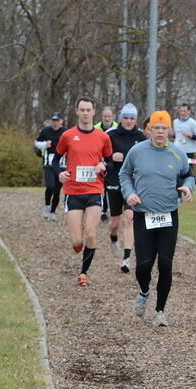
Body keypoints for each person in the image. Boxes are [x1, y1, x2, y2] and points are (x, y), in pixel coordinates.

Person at [119, 110, 193, 327]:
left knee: (165, 264)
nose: (160, 132)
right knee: (143, 266)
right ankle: (144, 291)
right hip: (144, 214)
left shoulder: (178, 154)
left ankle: (160, 310)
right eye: (156, 128)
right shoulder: (137, 151)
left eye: (164, 128)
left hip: (168, 215)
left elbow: (188, 175)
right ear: (149, 130)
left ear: (170, 130)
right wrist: (129, 193)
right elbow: (124, 174)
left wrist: (187, 187)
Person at [56, 97, 112, 286]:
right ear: (77, 112)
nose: (86, 113)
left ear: (93, 112)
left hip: (95, 191)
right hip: (73, 191)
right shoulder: (67, 136)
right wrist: (60, 173)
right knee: (77, 242)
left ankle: (83, 273)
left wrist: (103, 165)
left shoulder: (103, 137)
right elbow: (56, 159)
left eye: (89, 110)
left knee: (91, 234)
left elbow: (110, 162)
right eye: (82, 110)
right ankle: (79, 244)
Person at [105, 103, 147, 272]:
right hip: (114, 181)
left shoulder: (142, 137)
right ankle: (113, 237)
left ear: (135, 120)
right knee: (115, 222)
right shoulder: (110, 135)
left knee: (129, 218)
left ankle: (127, 258)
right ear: (120, 118)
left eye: (132, 118)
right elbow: (100, 158)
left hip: (134, 185)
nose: (129, 121)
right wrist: (110, 158)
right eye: (126, 118)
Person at [34, 111, 66, 221]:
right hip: (48, 163)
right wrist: (44, 145)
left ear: (61, 121)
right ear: (51, 121)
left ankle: (53, 212)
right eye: (53, 120)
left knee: (57, 190)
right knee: (50, 186)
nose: (55, 123)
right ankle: (47, 205)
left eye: (57, 120)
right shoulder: (46, 131)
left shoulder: (65, 132)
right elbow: (36, 143)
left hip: (61, 164)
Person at [172, 103, 196, 191]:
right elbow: (177, 136)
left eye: (184, 111)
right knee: (177, 172)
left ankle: (195, 182)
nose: (182, 113)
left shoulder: (192, 123)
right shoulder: (175, 122)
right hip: (177, 149)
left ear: (189, 111)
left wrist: (190, 135)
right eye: (181, 111)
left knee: (188, 172)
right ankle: (178, 194)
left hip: (189, 151)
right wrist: (172, 133)